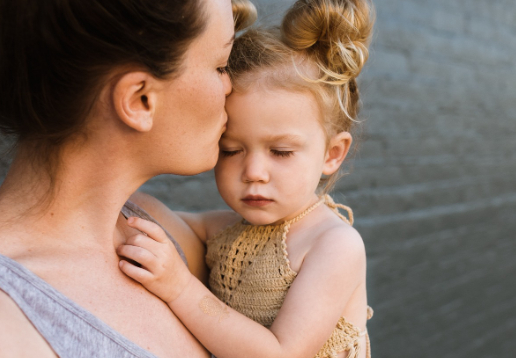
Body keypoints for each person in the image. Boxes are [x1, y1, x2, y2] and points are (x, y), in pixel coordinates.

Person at [0, 0, 256, 356]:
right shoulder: (10, 325)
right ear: (140, 100)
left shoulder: (159, 230)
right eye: (221, 66)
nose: (231, 87)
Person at [120, 0, 375, 357]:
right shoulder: (226, 230)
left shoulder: (333, 245)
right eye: (231, 150)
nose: (253, 172)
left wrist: (179, 287)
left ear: (332, 154)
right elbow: (162, 219)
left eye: (281, 152)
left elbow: (281, 353)